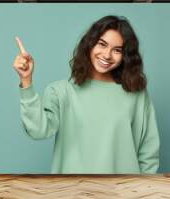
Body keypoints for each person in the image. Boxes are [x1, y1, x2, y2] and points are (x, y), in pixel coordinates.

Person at [14, 15, 160, 174]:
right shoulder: (61, 91)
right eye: (102, 44)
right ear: (89, 44)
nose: (107, 55)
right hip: (73, 193)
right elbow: (38, 130)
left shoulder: (135, 94)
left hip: (123, 193)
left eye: (117, 50)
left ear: (125, 56)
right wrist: (26, 80)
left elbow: (148, 151)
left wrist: (142, 190)